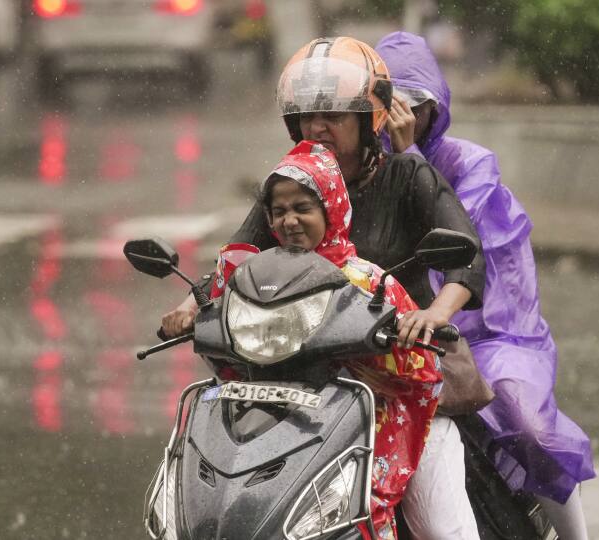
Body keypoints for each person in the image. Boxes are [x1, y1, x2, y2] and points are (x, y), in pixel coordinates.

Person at [163, 36, 482, 539]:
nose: (318, 127)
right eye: (308, 117)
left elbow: (467, 256)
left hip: (400, 372)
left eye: (334, 114)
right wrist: (189, 304)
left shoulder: (407, 173)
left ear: (369, 116)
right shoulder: (293, 185)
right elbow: (237, 257)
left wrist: (434, 315)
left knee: (440, 524)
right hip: (303, 373)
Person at [376, 31, 595, 539]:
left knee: (531, 428)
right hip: (390, 332)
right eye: (389, 107)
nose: (402, 120)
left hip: (488, 333)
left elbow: (459, 242)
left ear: (436, 107)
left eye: (416, 106)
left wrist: (408, 157)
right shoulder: (354, 165)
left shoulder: (467, 165)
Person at [253, 139, 445, 539]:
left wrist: (385, 361)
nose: (289, 221)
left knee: (361, 509)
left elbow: (422, 373)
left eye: (302, 208)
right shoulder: (260, 280)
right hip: (274, 414)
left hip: (363, 420)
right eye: (279, 211)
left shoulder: (369, 281)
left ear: (332, 207)